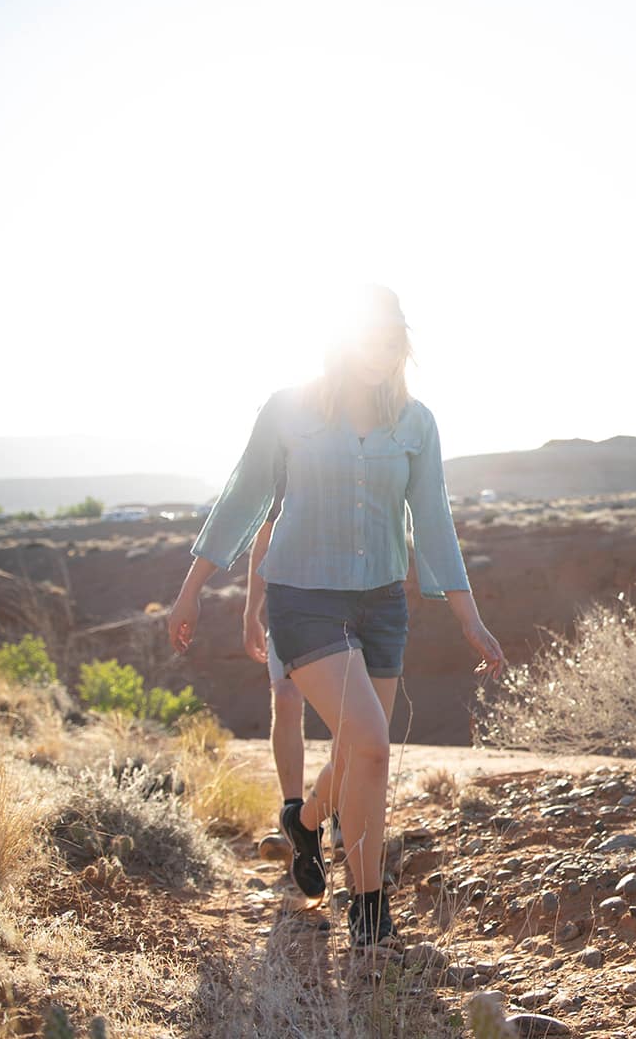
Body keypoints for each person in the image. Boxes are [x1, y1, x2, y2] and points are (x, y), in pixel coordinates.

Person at [168, 285, 505, 947]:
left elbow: (432, 520)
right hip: (303, 598)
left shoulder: (415, 422)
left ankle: (306, 820)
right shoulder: (289, 411)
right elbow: (244, 498)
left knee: (356, 751)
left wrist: (470, 617)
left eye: (390, 342)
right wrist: (193, 588)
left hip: (382, 603)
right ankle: (369, 904)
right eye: (367, 340)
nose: (379, 354)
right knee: (373, 745)